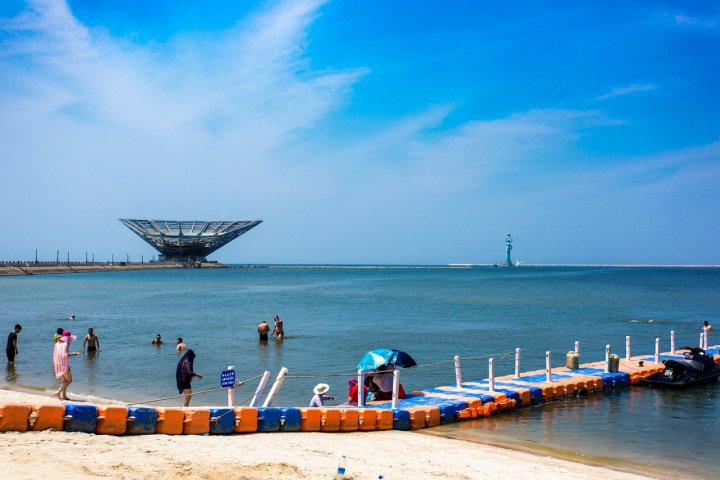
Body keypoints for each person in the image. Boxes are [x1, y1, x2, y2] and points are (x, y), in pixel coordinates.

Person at [53, 330, 79, 399]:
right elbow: (65, 355)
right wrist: (73, 354)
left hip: (58, 363)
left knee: (64, 381)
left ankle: (64, 396)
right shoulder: (66, 344)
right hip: (64, 364)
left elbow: (58, 354)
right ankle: (58, 392)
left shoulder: (58, 343)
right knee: (69, 380)